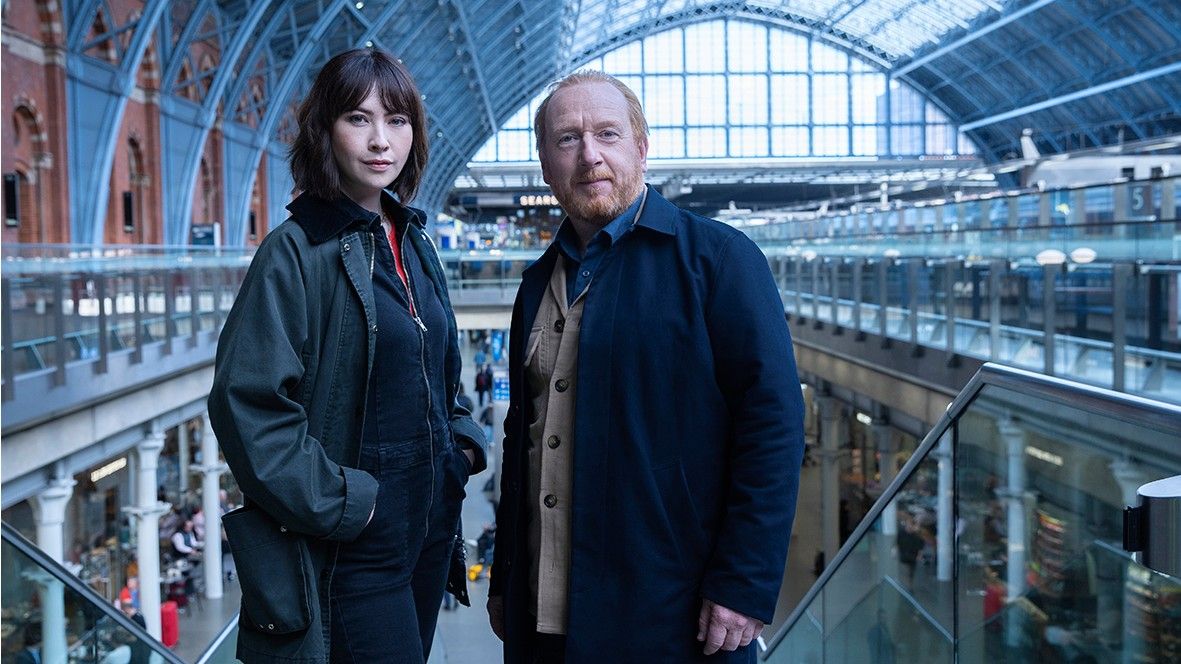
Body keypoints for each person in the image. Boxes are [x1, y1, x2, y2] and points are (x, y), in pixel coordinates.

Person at [487, 72, 805, 663]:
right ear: (544, 163)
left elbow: (773, 423)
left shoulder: (718, 260)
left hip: (671, 619)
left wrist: (744, 581)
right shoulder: (536, 284)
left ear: (641, 145)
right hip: (542, 622)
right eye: (567, 139)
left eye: (608, 133)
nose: (590, 156)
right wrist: (506, 578)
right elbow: (522, 439)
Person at [208, 48, 486, 664]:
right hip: (353, 543)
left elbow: (442, 372)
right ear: (324, 130)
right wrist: (348, 503)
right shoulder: (294, 253)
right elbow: (245, 407)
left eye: (398, 120)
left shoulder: (412, 239)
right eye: (358, 119)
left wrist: (460, 448)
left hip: (428, 528)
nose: (381, 140)